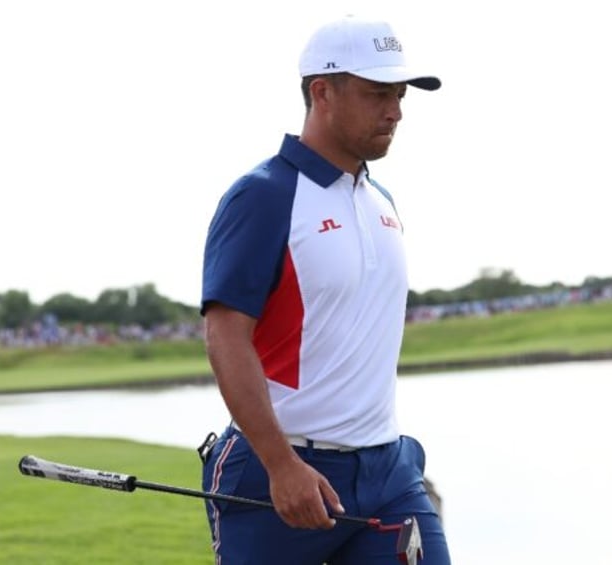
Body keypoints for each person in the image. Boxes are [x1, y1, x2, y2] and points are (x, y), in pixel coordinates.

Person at [198, 14, 451, 565]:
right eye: (377, 92)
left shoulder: (379, 201)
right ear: (322, 92)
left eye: (401, 94)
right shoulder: (262, 197)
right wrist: (279, 464)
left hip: (387, 473)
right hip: (278, 473)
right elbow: (224, 337)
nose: (396, 110)